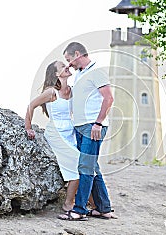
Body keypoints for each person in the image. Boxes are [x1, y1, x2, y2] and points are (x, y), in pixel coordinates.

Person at [58, 42, 116, 221]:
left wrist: (98, 124)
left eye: (69, 60)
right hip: (81, 127)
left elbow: (109, 98)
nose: (69, 64)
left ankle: (79, 210)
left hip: (93, 127)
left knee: (85, 168)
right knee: (92, 168)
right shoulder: (80, 74)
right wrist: (64, 77)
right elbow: (67, 95)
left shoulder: (97, 70)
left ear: (77, 54)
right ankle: (104, 208)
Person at [25, 60, 80, 212]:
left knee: (85, 167)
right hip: (56, 133)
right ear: (56, 74)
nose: (67, 66)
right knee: (78, 164)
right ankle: (68, 204)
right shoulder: (51, 92)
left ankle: (94, 206)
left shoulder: (72, 90)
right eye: (63, 66)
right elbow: (31, 106)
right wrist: (28, 128)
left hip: (70, 133)